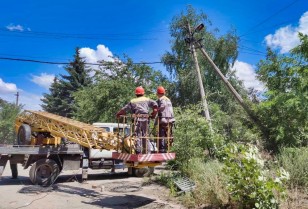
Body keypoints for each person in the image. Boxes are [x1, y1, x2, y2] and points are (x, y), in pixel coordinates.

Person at [116, 86, 158, 154]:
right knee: (145, 135)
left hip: (137, 119)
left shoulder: (133, 101)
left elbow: (124, 109)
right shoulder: (147, 99)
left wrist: (118, 114)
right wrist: (153, 114)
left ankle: (138, 151)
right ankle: (147, 151)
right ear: (143, 93)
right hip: (145, 119)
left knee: (137, 135)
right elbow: (155, 106)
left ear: (136, 94)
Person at [156, 86, 175, 153]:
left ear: (158, 93)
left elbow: (162, 106)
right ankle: (171, 149)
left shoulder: (161, 99)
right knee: (169, 135)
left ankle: (162, 150)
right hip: (170, 120)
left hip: (163, 120)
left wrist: (155, 110)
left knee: (161, 135)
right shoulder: (168, 99)